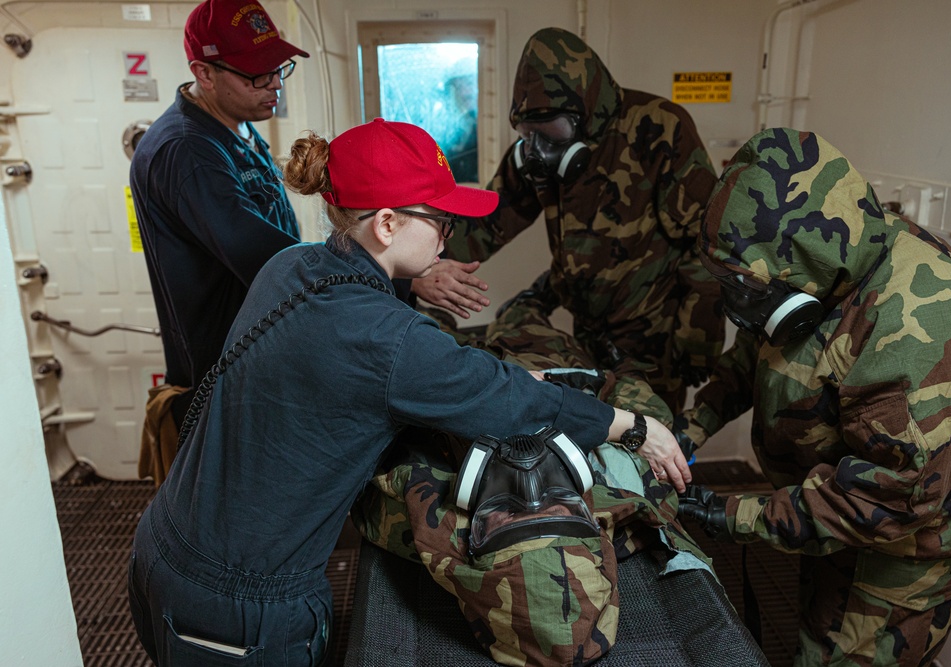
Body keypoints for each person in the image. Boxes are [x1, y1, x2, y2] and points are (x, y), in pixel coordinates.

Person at [126, 118, 692, 667]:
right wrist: (633, 427)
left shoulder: (290, 265)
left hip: (165, 547)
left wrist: (493, 383)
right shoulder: (384, 337)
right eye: (440, 219)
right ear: (388, 223)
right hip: (239, 612)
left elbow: (400, 368)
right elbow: (481, 391)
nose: (448, 235)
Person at [675, 128, 951, 666]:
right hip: (831, 521)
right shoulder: (822, 268)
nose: (737, 310)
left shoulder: (918, 331)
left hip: (901, 553)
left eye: (747, 293)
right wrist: (687, 430)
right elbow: (754, 361)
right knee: (815, 638)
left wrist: (729, 514)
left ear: (804, 261)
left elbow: (883, 500)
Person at [411, 26, 726, 420]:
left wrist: (699, 340)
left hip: (654, 337)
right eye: (528, 134)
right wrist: (413, 269)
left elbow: (707, 244)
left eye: (552, 132)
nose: (539, 149)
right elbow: (482, 226)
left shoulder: (659, 129)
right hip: (586, 332)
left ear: (587, 115)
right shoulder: (531, 159)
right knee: (593, 431)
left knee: (653, 440)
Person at [130, 0, 309, 445]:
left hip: (262, 357)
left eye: (278, 69)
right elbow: (264, 258)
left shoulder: (238, 124)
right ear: (205, 73)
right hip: (226, 382)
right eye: (256, 75)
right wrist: (383, 270)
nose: (274, 86)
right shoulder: (188, 151)